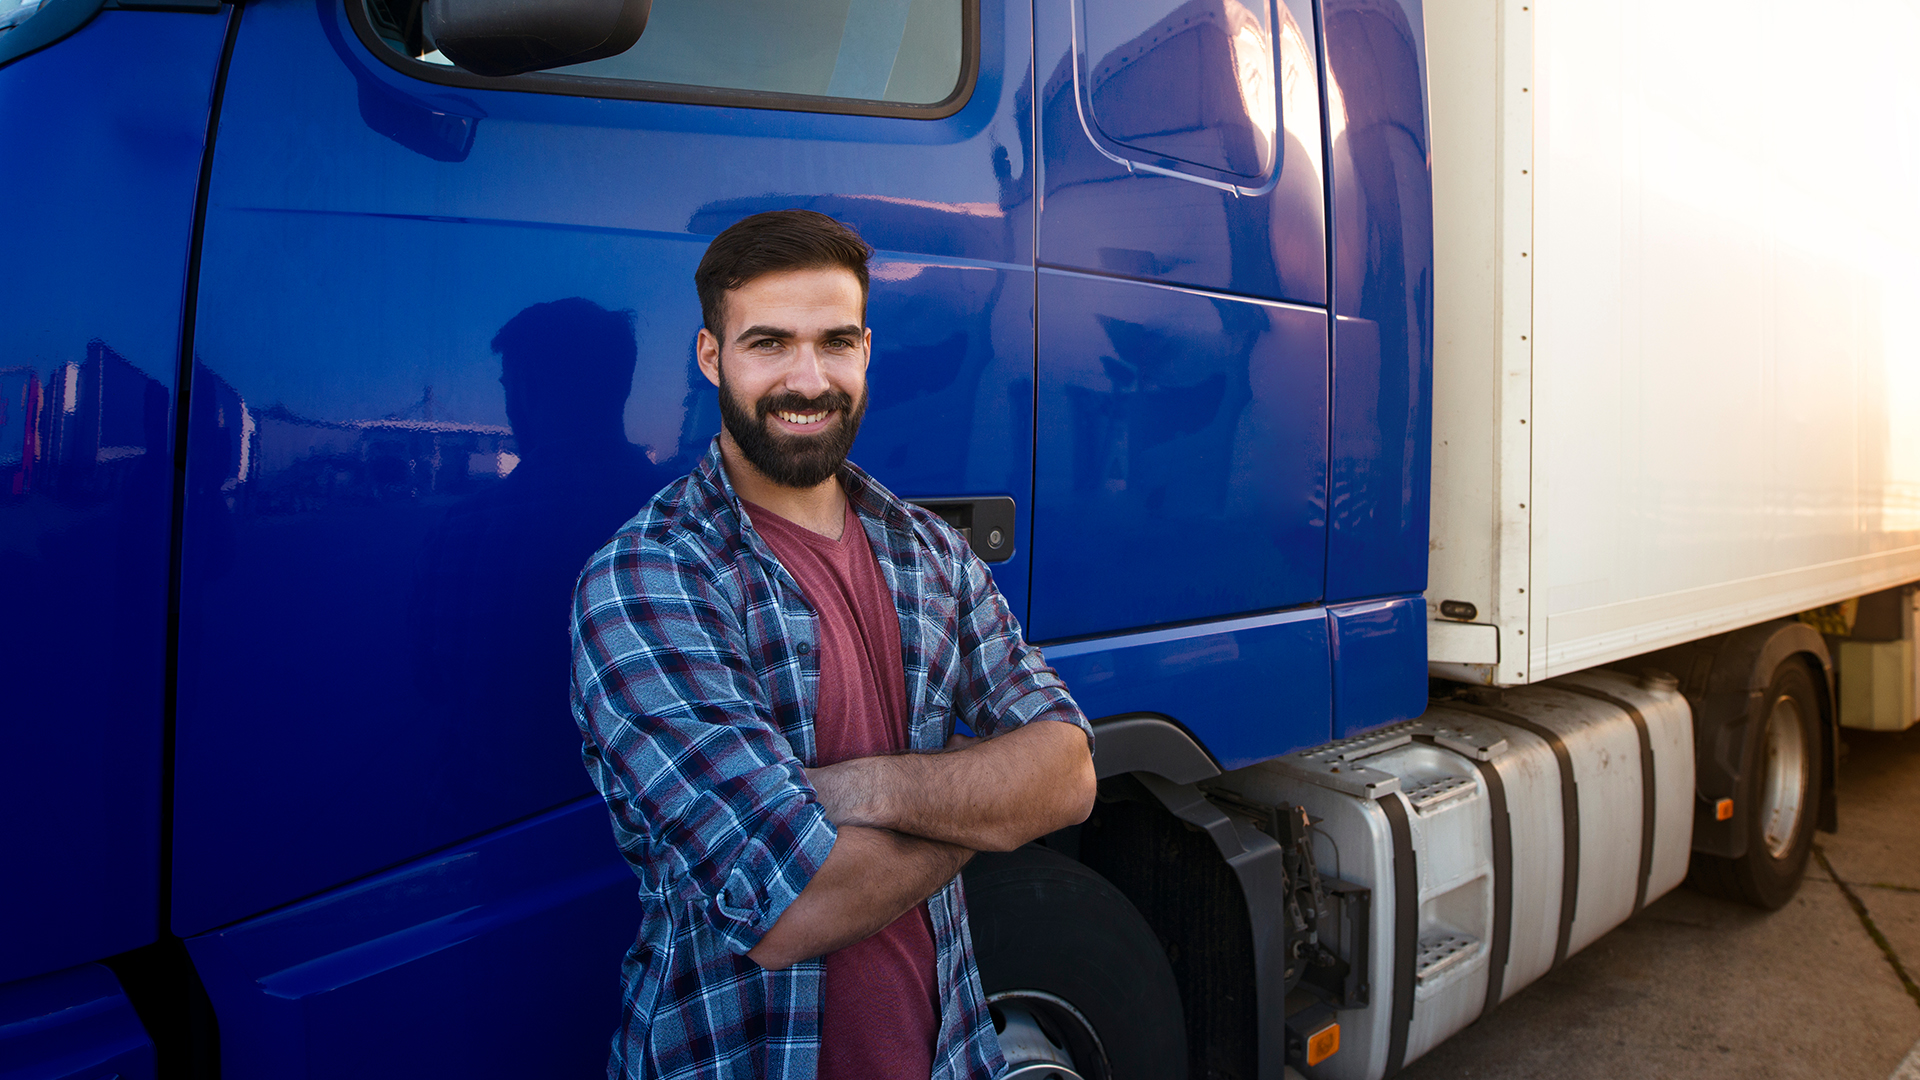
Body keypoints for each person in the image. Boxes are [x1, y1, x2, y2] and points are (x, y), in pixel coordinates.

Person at [570, 209, 1097, 1080]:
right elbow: (791, 910)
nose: (808, 380)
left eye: (835, 343)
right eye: (769, 343)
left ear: (866, 350)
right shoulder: (648, 579)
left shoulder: (929, 551)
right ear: (712, 356)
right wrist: (993, 806)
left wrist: (869, 787)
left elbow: (1071, 773)